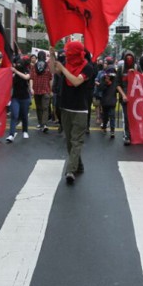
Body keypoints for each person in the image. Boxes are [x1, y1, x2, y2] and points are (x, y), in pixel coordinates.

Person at [50, 41, 93, 184]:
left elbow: (76, 82)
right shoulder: (65, 63)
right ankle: (78, 165)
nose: (67, 54)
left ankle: (70, 170)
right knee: (69, 141)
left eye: (69, 52)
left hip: (80, 110)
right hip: (65, 107)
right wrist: (52, 55)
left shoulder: (88, 67)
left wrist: (63, 68)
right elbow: (53, 70)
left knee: (76, 141)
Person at [116, 50, 139, 146]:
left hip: (135, 98)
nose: (129, 60)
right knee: (126, 117)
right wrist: (123, 95)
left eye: (131, 58)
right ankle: (127, 136)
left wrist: (135, 73)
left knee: (135, 117)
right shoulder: (121, 69)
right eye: (127, 58)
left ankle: (134, 134)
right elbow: (117, 84)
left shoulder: (137, 67)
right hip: (125, 97)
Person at [6, 55, 32, 143]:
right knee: (14, 115)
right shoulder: (13, 74)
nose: (18, 65)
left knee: (24, 116)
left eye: (20, 64)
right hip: (15, 98)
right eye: (17, 64)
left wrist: (16, 71)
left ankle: (25, 131)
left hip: (25, 98)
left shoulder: (26, 71)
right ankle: (11, 135)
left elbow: (26, 77)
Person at [30, 51, 52, 133]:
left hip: (37, 89)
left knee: (39, 108)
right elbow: (50, 79)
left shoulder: (34, 67)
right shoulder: (48, 67)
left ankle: (41, 123)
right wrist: (51, 90)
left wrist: (31, 88)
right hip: (45, 89)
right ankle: (44, 124)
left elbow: (31, 78)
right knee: (45, 108)